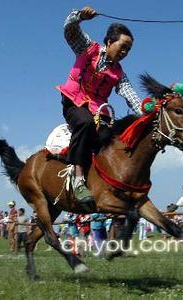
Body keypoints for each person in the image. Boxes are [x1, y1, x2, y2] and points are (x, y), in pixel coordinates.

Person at [58, 6, 143, 205]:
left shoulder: (119, 73)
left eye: (128, 50)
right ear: (109, 41)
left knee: (109, 137)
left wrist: (148, 111)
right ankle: (78, 179)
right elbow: (69, 30)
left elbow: (132, 97)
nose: (124, 52)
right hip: (73, 102)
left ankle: (100, 181)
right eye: (122, 46)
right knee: (86, 123)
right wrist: (79, 16)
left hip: (98, 111)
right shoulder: (88, 47)